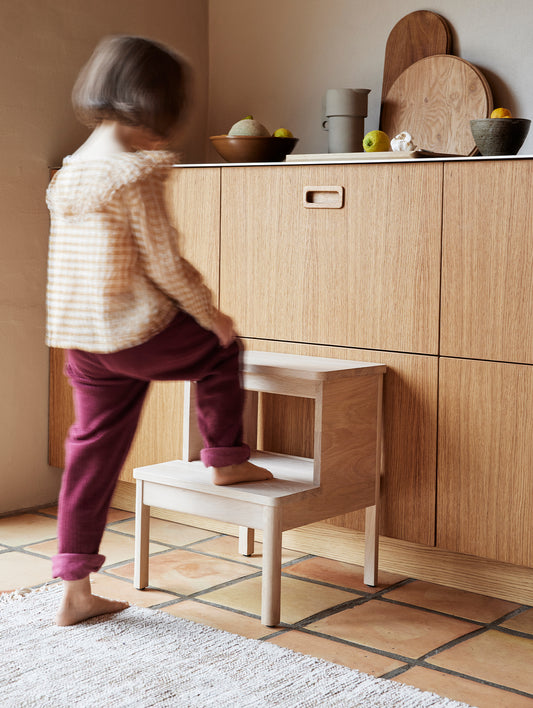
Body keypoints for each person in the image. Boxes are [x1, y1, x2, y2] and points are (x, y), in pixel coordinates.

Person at [46, 35, 272, 627]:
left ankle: (75, 590)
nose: (165, 136)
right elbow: (165, 262)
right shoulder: (134, 172)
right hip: (135, 329)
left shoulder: (71, 172)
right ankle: (224, 455)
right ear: (150, 105)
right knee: (222, 350)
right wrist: (212, 314)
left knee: (90, 453)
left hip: (83, 339)